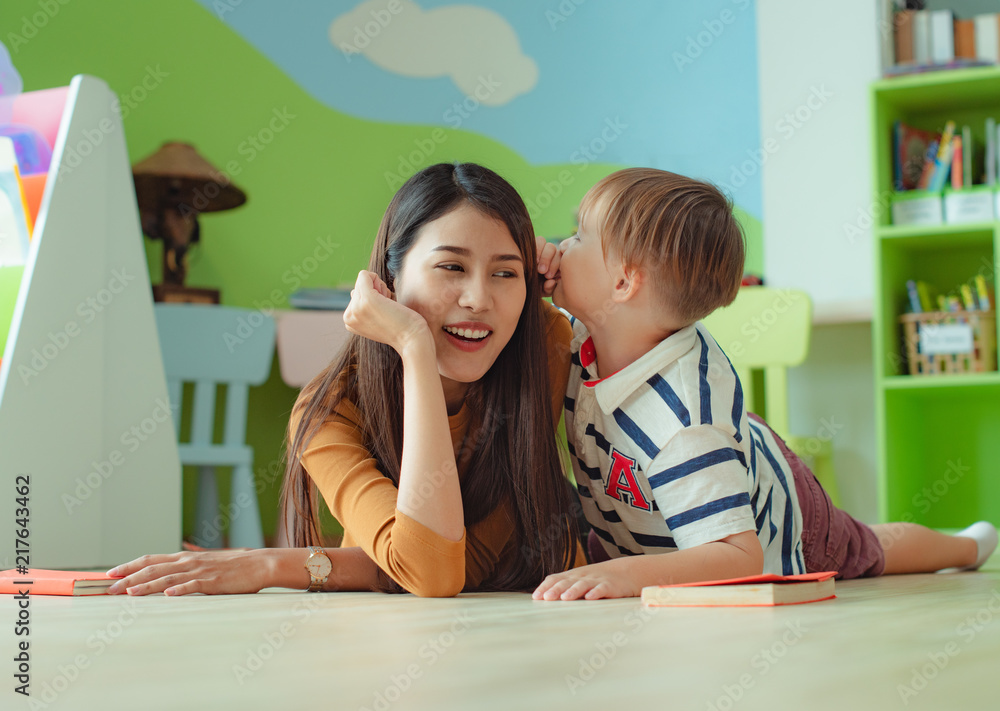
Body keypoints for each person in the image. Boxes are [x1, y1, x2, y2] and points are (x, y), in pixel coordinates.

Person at [107, 162, 582, 597]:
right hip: (393, 638)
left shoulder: (544, 346)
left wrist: (275, 565)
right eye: (452, 267)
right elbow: (434, 574)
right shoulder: (329, 410)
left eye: (505, 272)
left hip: (553, 625)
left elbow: (446, 566)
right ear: (390, 279)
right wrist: (413, 347)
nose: (479, 298)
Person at [529, 167, 999, 601]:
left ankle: (965, 547)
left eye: (578, 236)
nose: (561, 246)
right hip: (690, 484)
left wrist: (627, 575)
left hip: (776, 508)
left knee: (869, 549)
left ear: (625, 283)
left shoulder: (683, 428)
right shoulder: (593, 329)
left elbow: (737, 557)